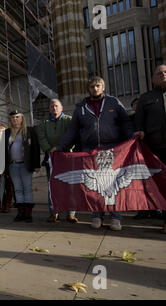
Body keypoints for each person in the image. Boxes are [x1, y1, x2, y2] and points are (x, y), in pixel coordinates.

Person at [53, 76, 134, 231]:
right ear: (88, 89)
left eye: (98, 86)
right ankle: (97, 216)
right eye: (92, 87)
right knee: (95, 186)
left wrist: (132, 137)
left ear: (103, 88)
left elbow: (125, 122)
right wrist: (62, 146)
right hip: (90, 151)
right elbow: (73, 130)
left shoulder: (113, 103)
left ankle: (116, 217)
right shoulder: (81, 107)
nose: (95, 89)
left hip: (112, 150)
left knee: (112, 185)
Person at [134, 64, 166, 234]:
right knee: (161, 184)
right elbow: (139, 123)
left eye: (165, 72)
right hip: (155, 149)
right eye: (159, 73)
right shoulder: (146, 98)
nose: (163, 75)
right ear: (153, 78)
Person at [36, 99, 78, 223]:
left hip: (67, 157)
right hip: (51, 158)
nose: (54, 108)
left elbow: (72, 136)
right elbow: (42, 137)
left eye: (56, 106)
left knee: (69, 186)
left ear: (61, 108)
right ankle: (54, 212)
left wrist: (61, 148)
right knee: (52, 186)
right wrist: (49, 150)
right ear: (49, 109)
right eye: (52, 106)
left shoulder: (69, 120)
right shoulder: (43, 123)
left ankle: (71, 213)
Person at [4, 110, 41, 222]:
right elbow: (3, 150)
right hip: (13, 165)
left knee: (27, 189)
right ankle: (20, 213)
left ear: (22, 118)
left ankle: (28, 214)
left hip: (25, 165)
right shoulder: (7, 132)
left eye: (17, 117)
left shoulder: (29, 130)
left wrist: (36, 164)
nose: (15, 119)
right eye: (12, 118)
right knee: (17, 189)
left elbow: (35, 148)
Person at [0, 124, 14, 213]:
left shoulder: (9, 143)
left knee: (9, 187)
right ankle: (2, 205)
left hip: (8, 168)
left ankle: (8, 204)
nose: (1, 133)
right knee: (1, 187)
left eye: (3, 131)